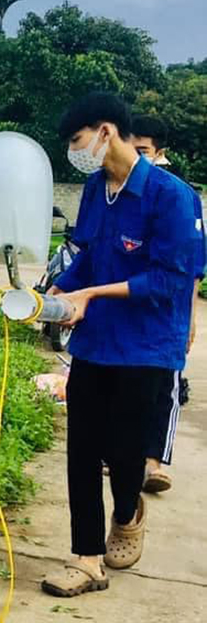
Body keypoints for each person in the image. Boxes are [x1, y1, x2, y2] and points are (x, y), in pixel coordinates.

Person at [41, 93, 200, 598]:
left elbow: (170, 280)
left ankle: (128, 509)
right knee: (83, 450)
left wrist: (91, 293)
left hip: (148, 346)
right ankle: (86, 559)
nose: (74, 150)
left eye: (77, 139)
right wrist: (62, 287)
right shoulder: (94, 189)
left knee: (127, 454)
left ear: (105, 131)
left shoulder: (172, 197)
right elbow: (90, 254)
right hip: (95, 342)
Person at [129, 115, 206, 494]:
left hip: (167, 313)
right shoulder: (114, 190)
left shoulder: (181, 196)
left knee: (163, 388)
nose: (136, 158)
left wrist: (190, 318)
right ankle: (123, 455)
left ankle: (153, 462)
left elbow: (193, 266)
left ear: (160, 152)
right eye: (131, 149)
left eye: (143, 151)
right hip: (124, 307)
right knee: (123, 385)